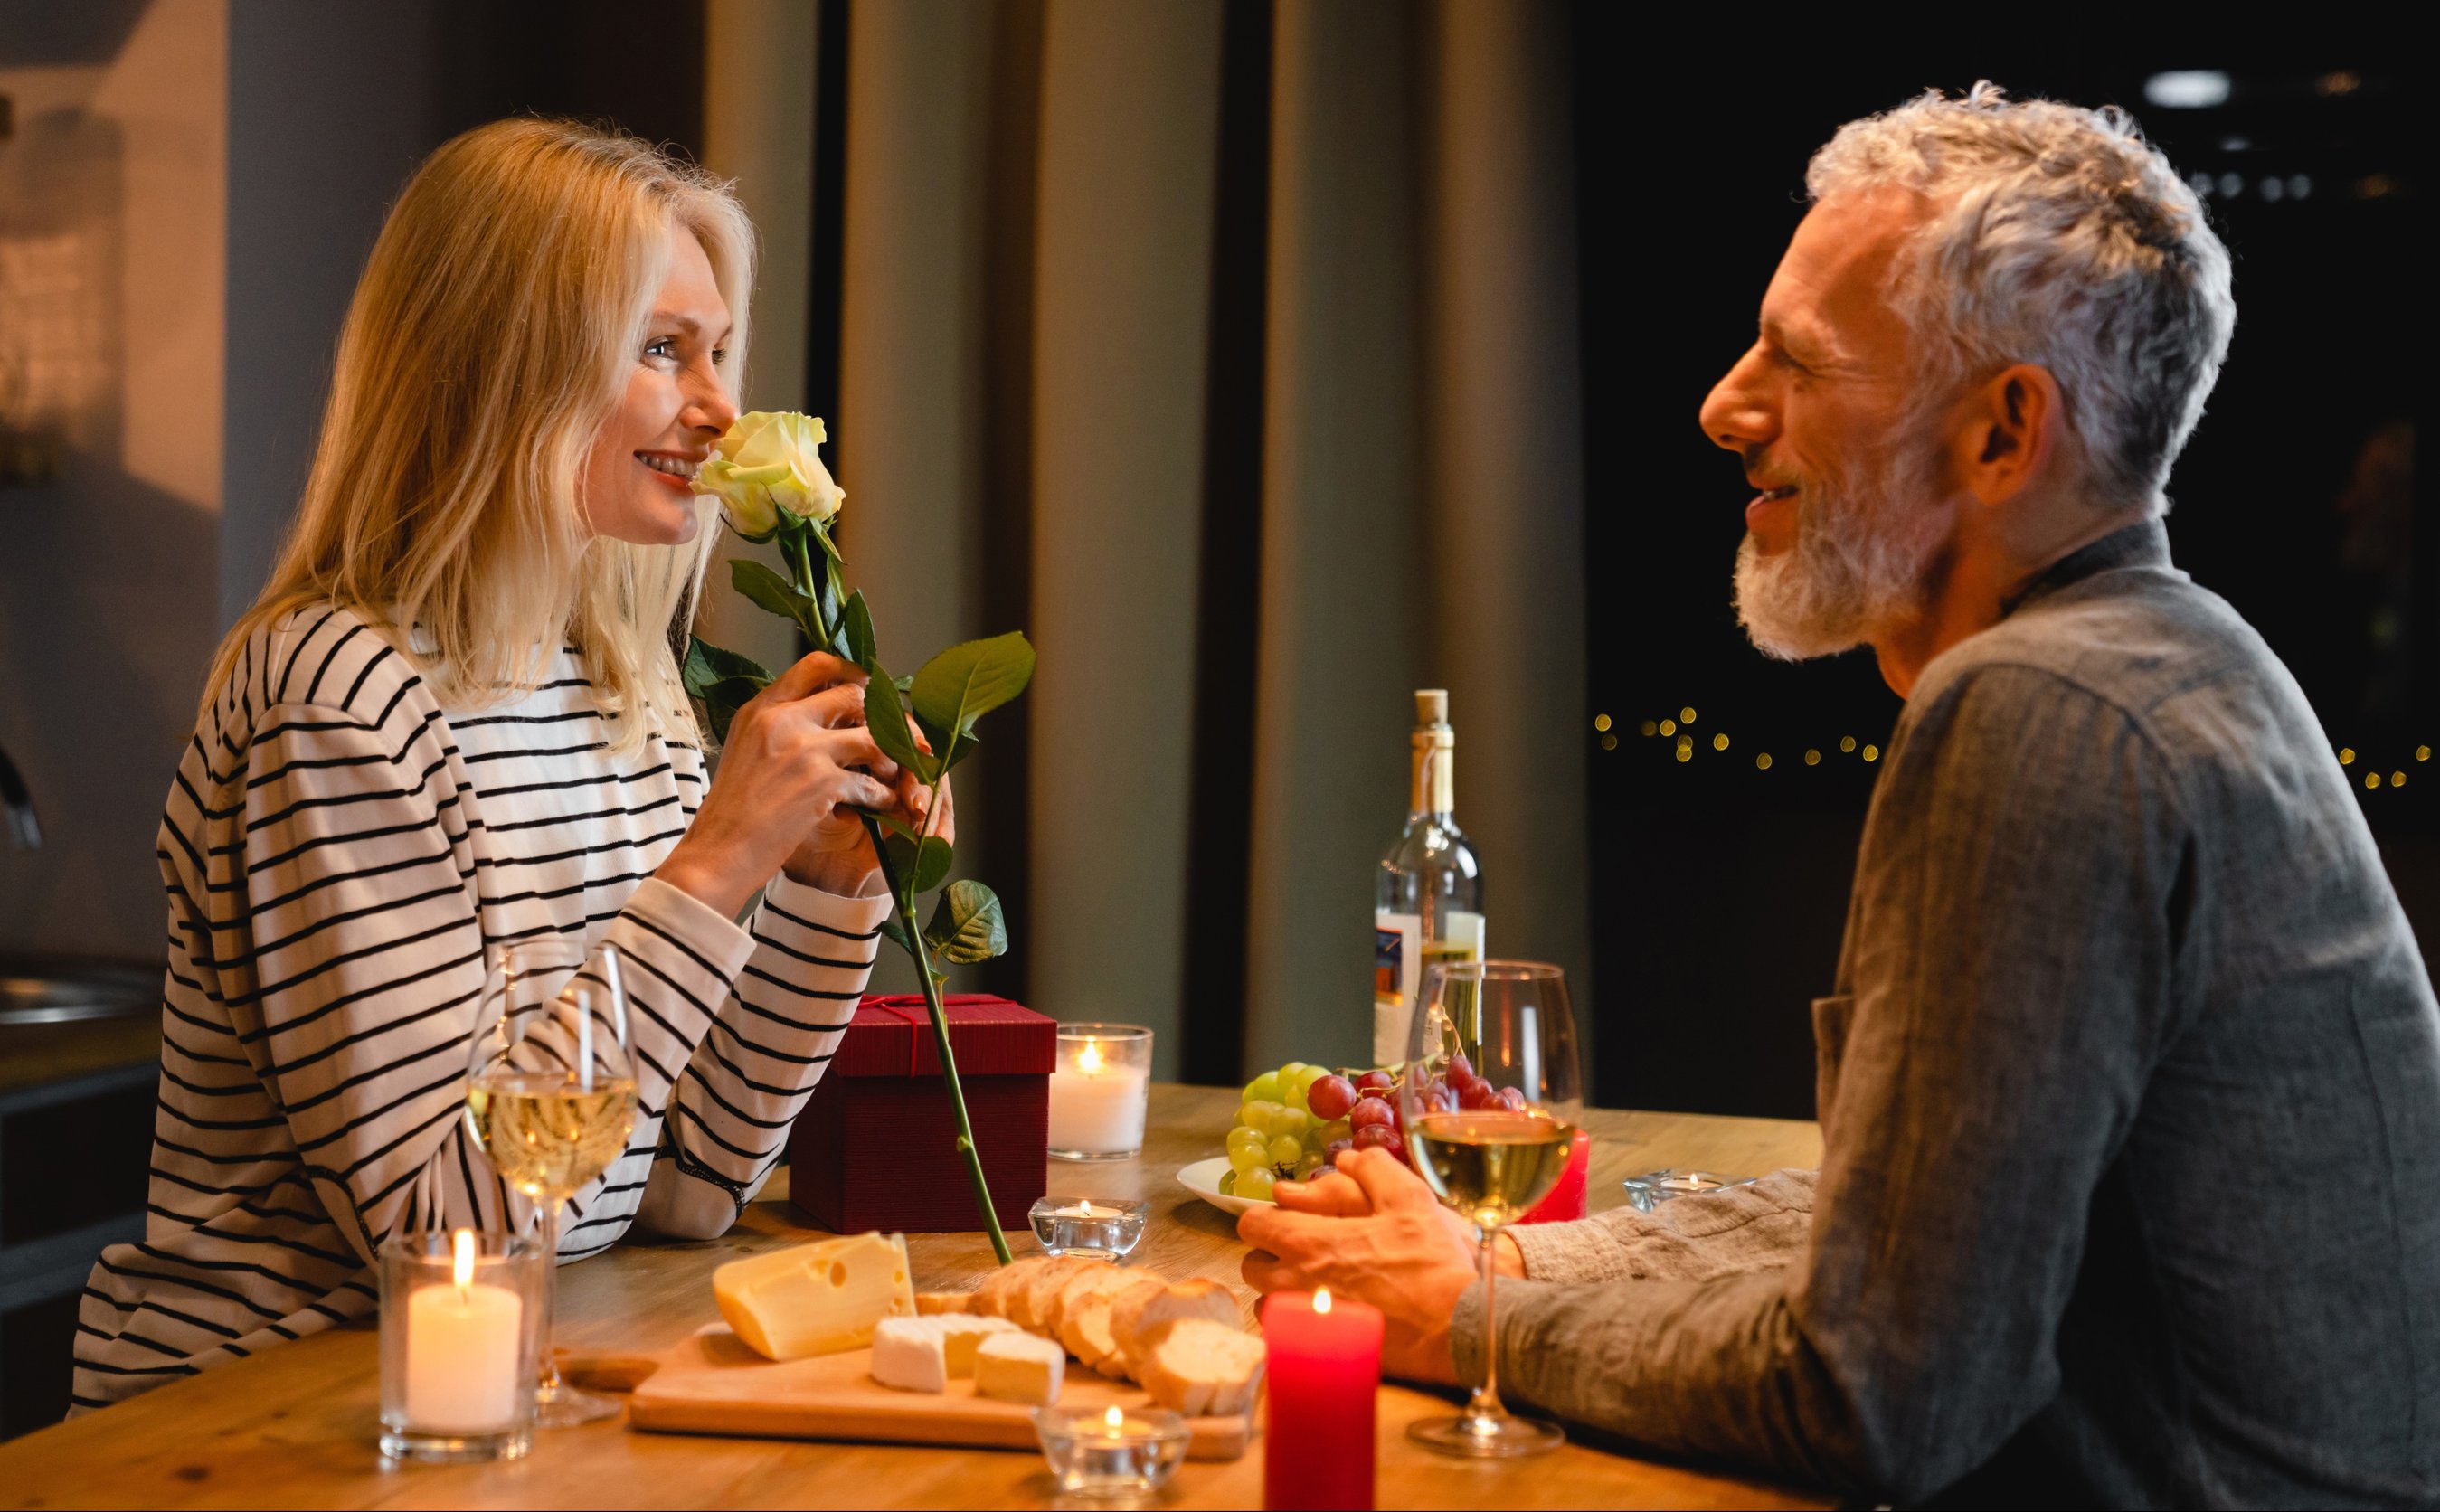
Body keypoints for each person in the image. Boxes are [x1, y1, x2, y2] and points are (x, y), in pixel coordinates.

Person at [1240, 85, 2440, 1507]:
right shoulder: (2185, 659)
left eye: (1794, 361)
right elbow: (1903, 1246)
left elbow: (1873, 1397)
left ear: (2004, 434)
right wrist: (1500, 1258)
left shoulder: (2038, 710)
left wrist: (1455, 1311)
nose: (1720, 406)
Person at [71, 120, 942, 1408]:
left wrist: (820, 890)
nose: (718, 409)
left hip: (505, 1395)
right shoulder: (337, 699)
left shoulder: (621, 685)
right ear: (508, 369)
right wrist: (710, 874)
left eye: (718, 352)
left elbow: (691, 1184)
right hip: (272, 1424)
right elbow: (440, 1231)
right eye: (659, 350)